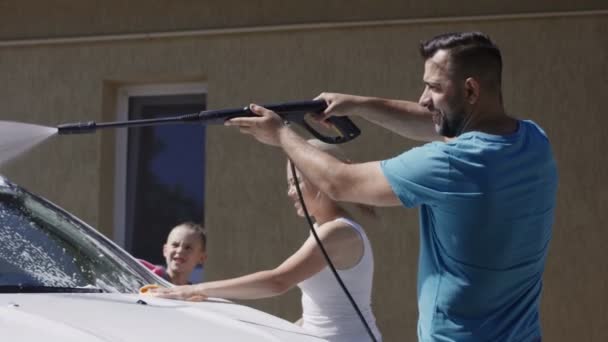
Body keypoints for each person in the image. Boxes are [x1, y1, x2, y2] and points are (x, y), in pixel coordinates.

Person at [223, 31, 558, 341]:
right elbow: (438, 122)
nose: (424, 99)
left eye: (434, 87)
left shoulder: (451, 163)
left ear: (470, 90)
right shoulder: (533, 141)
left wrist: (282, 134)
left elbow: (339, 182)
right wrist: (358, 104)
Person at [148, 140, 382, 342]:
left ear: (318, 180)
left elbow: (277, 281)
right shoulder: (324, 230)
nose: (290, 192)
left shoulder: (337, 233)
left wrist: (194, 290)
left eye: (295, 182)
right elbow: (322, 312)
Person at [140, 222, 208, 285]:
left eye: (188, 248)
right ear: (165, 250)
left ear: (201, 258)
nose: (180, 250)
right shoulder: (147, 278)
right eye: (175, 245)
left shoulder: (194, 296)